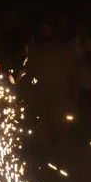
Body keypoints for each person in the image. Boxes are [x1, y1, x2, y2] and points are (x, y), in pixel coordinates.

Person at [22, 23, 77, 158]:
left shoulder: (63, 50)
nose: (45, 32)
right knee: (44, 132)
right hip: (42, 99)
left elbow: (73, 74)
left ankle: (62, 161)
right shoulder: (35, 51)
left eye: (48, 29)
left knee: (62, 131)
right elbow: (29, 74)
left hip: (61, 98)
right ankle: (48, 162)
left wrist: (75, 95)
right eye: (43, 29)